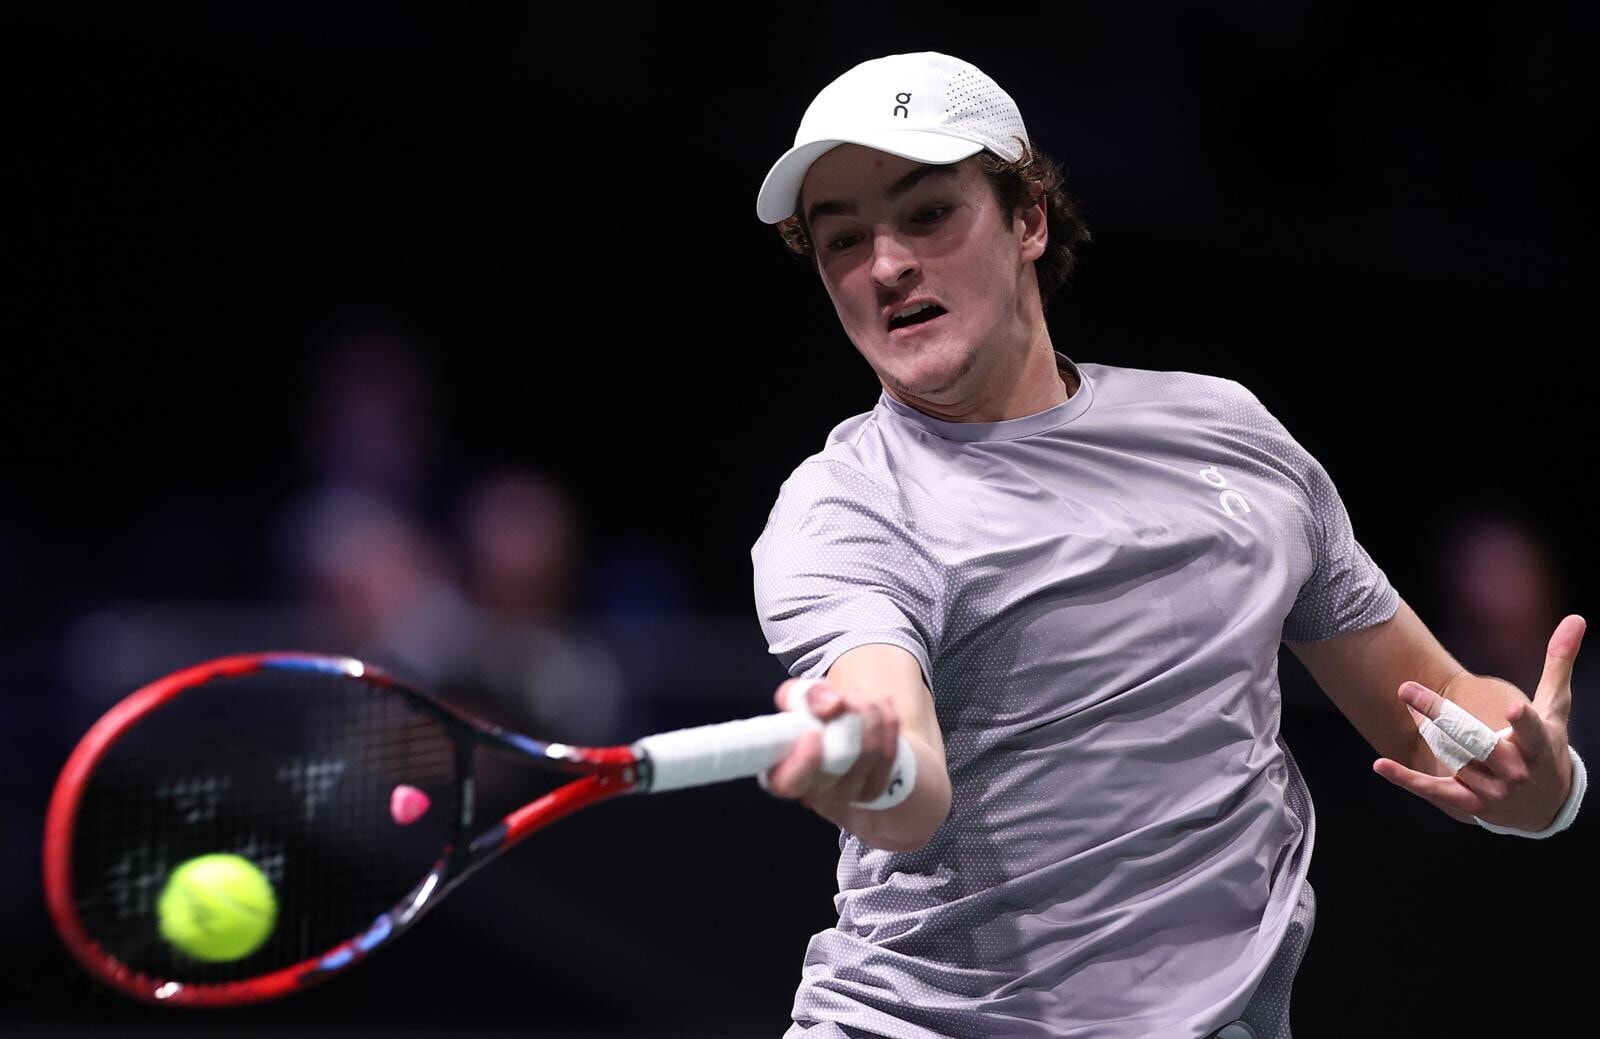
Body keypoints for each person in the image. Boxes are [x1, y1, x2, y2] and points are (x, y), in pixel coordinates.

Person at [747, 52, 1586, 1039]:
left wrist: (1539, 785)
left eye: (927, 213)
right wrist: (875, 764)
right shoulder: (845, 507)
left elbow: (1429, 706)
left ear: (1028, 218)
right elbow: (903, 764)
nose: (885, 264)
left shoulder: (1226, 434)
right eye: (843, 240)